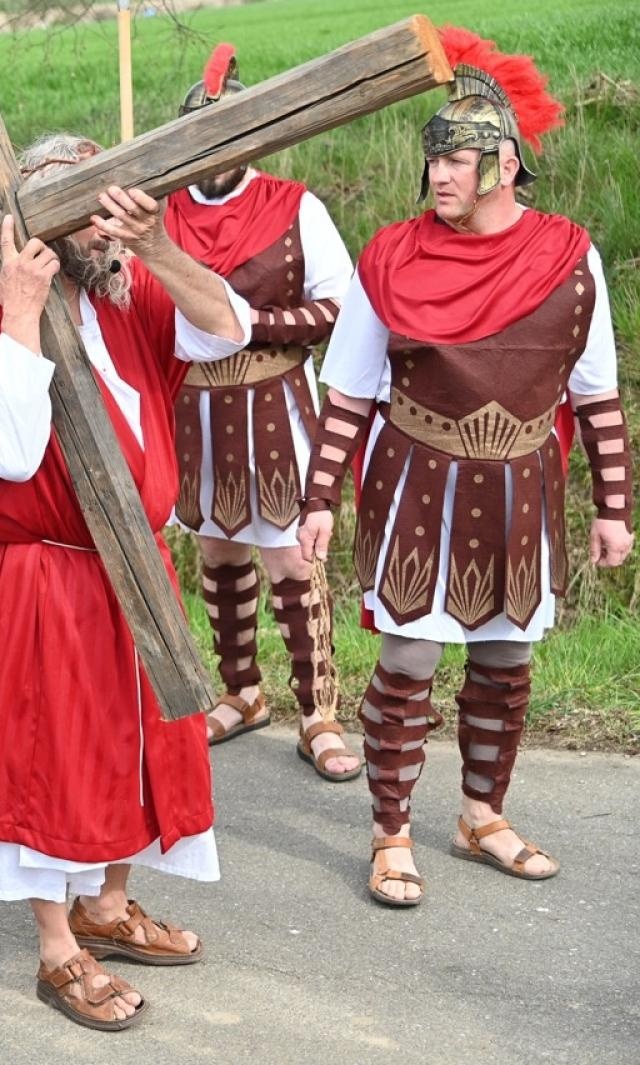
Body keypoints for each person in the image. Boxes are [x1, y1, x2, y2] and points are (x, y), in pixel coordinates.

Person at [0, 133, 251, 1032]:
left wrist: (157, 248)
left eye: (112, 208)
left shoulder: (127, 298)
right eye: (89, 212)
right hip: (46, 580)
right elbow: (12, 451)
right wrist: (22, 312)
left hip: (134, 569)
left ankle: (107, 906)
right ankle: (57, 945)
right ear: (40, 229)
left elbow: (230, 322)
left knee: (137, 744)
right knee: (50, 754)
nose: (106, 226)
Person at [297, 29, 632, 906]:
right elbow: (350, 390)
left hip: (523, 479)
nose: (440, 176)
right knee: (409, 655)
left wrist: (613, 508)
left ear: (507, 164)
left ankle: (481, 813)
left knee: (506, 656)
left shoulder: (570, 258)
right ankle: (391, 830)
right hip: (416, 479)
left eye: (460, 161)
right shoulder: (392, 258)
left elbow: (596, 393)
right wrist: (319, 497)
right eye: (433, 162)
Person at [160, 46, 361, 781]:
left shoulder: (294, 205)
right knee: (216, 550)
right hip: (196, 404)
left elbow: (342, 305)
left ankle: (319, 710)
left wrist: (254, 325)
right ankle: (242, 691)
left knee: (289, 555)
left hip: (276, 398)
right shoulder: (165, 213)